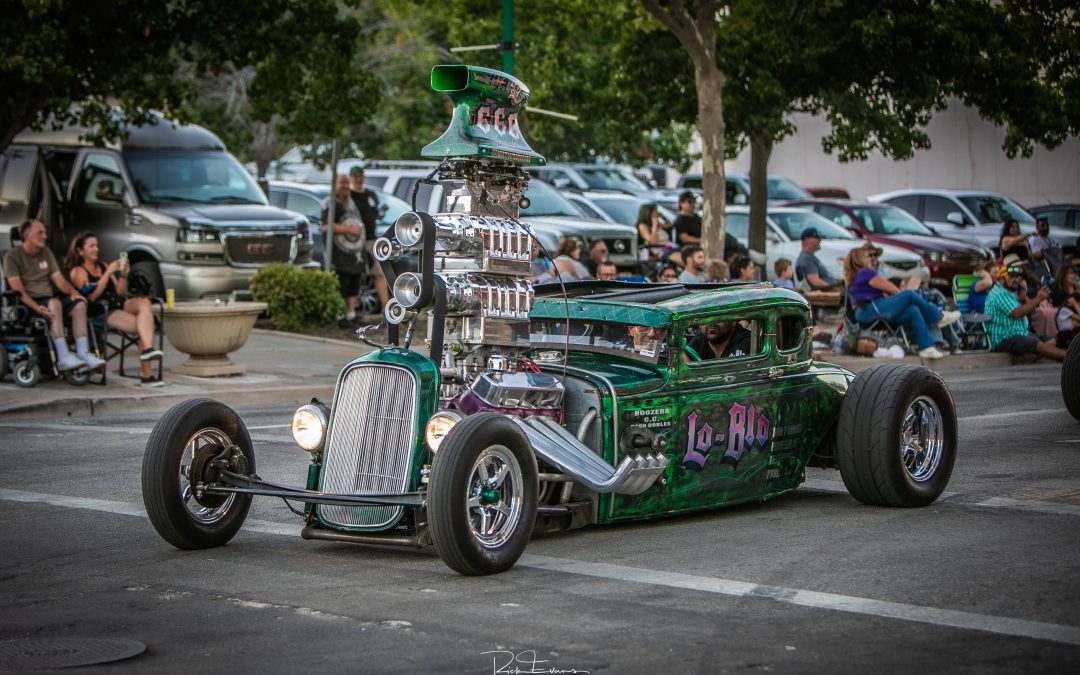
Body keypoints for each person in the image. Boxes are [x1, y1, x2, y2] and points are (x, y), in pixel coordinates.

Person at [2, 219, 106, 374]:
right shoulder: (12, 256)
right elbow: (19, 290)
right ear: (26, 235)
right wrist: (37, 307)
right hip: (28, 303)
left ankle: (83, 353)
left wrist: (73, 292)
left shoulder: (46, 253)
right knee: (54, 303)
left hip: (50, 298)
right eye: (40, 233)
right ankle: (63, 356)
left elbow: (59, 280)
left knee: (79, 305)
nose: (45, 236)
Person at [64, 232, 163, 386]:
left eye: (96, 245)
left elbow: (119, 292)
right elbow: (92, 297)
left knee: (144, 303)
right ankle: (147, 373)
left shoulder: (103, 265)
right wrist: (109, 272)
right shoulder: (78, 271)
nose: (96, 249)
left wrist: (123, 276)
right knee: (143, 325)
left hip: (117, 304)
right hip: (101, 310)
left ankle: (148, 349)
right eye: (91, 246)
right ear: (80, 251)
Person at [845, 241, 960, 360]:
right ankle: (938, 317)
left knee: (913, 310)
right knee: (909, 294)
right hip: (870, 310)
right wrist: (902, 298)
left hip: (867, 313)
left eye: (874, 256)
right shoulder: (865, 272)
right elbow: (891, 287)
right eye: (868, 256)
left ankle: (926, 348)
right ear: (860, 259)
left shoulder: (856, 276)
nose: (872, 259)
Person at [983, 261, 1066, 361]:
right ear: (1001, 280)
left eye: (1017, 277)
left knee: (1050, 339)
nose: (1015, 280)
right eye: (1011, 277)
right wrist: (1038, 299)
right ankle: (1070, 358)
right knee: (1035, 343)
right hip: (1004, 338)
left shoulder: (1008, 293)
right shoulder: (999, 294)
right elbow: (1016, 313)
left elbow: (1027, 311)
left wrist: (1023, 297)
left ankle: (1043, 355)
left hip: (1019, 333)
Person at [322, 174, 366, 326]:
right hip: (339, 254)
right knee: (342, 285)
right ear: (335, 184)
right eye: (342, 183)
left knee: (354, 285)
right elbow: (326, 226)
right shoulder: (331, 203)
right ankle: (339, 315)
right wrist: (350, 230)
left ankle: (351, 314)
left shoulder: (350, 202)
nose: (345, 186)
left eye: (347, 183)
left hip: (354, 254)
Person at [347, 165, 388, 310]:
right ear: (351, 178)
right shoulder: (349, 195)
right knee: (357, 274)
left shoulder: (370, 195)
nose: (359, 179)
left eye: (361, 176)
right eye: (355, 176)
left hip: (371, 239)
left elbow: (376, 212)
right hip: (355, 241)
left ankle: (386, 306)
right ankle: (352, 308)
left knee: (378, 272)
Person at [673, 191, 746, 261]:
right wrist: (703, 240)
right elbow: (685, 238)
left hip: (708, 242)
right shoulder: (680, 220)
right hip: (698, 247)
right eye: (689, 202)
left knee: (728, 240)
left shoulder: (696, 216)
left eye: (694, 201)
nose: (693, 204)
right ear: (681, 203)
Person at [687, 321, 751, 360]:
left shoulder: (747, 341)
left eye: (719, 317)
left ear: (733, 321)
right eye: (706, 317)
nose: (712, 323)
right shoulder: (697, 342)